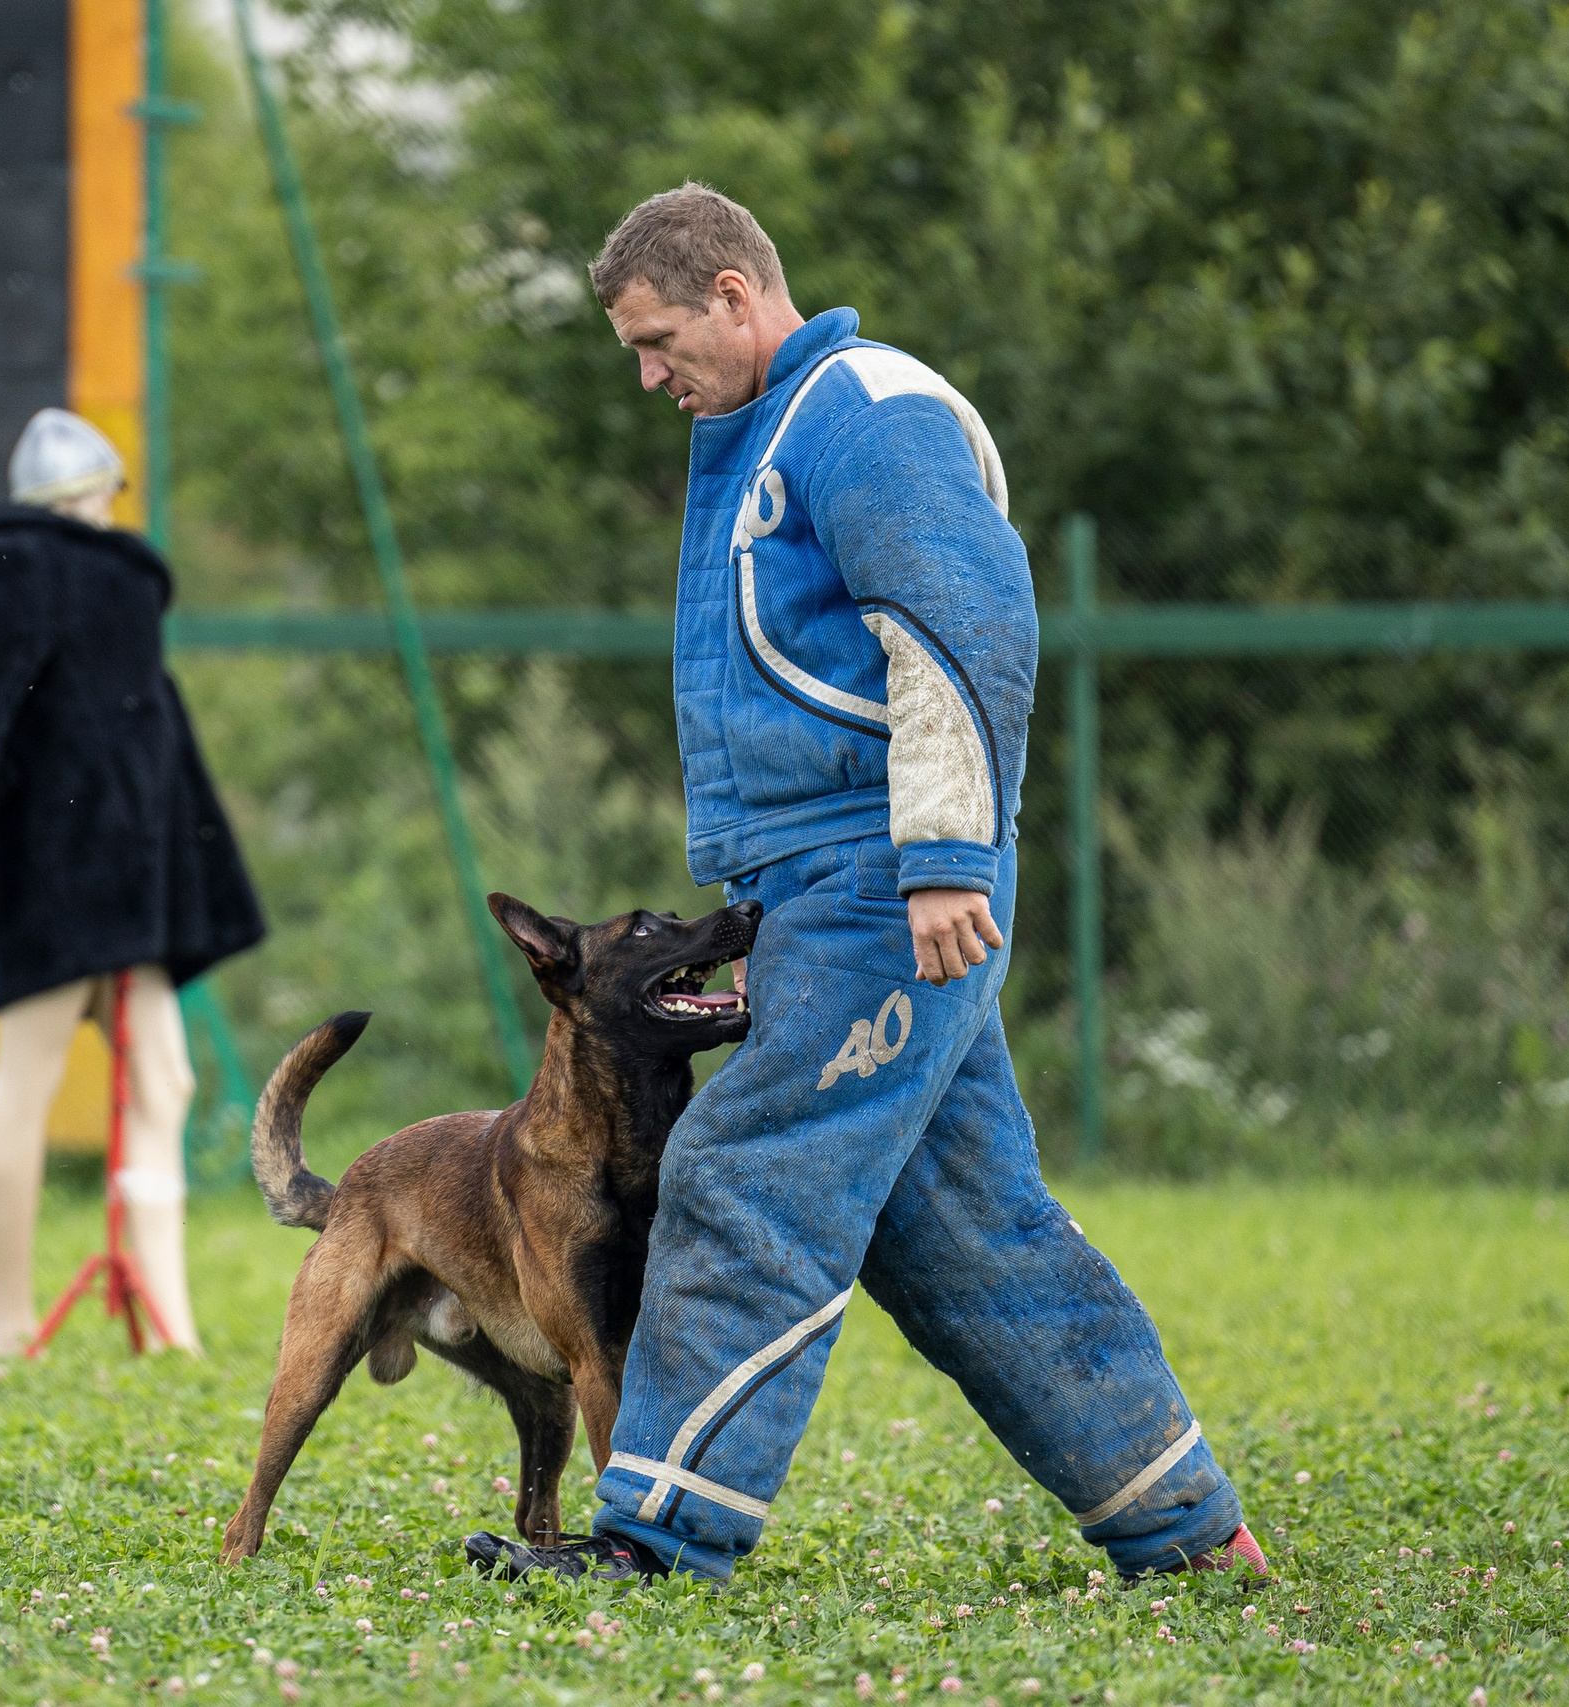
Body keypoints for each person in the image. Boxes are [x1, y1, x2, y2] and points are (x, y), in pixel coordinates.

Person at [465, 185, 1260, 1584]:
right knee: (968, 1234)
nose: (649, 376)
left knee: (744, 1166)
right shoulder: (774, 426)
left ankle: (660, 1537)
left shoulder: (866, 410)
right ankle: (1187, 1530)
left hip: (881, 876)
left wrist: (944, 858)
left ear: (731, 293)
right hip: (820, 880)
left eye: (656, 341)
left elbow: (961, 622)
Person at [0, 408, 265, 1358]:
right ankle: (8, 1320)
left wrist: (181, 863)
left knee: (164, 1079)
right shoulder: (18, 570)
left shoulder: (119, 586)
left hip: (130, 884)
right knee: (29, 1072)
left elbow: (147, 735)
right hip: (58, 882)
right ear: (90, 490)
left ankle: (172, 1324)